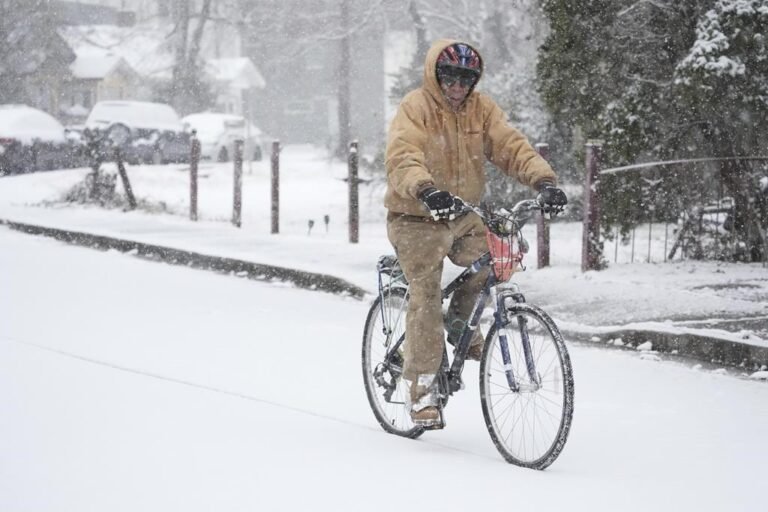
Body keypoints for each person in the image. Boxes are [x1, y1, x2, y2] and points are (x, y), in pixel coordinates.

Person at [384, 39, 567, 427]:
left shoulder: (481, 110)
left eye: (465, 79)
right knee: (426, 297)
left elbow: (510, 146)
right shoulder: (415, 108)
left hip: (463, 214)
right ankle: (423, 390)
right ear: (436, 75)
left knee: (493, 265)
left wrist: (544, 182)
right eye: (449, 77)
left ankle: (460, 323)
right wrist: (425, 189)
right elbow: (403, 155)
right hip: (415, 215)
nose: (456, 86)